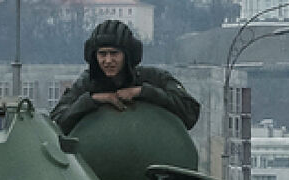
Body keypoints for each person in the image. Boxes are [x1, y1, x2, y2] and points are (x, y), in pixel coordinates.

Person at [50, 20, 201, 135]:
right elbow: (55, 123)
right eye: (102, 54)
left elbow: (189, 112)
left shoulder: (154, 78)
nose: (108, 61)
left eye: (114, 53)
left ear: (127, 55)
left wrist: (144, 93)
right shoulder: (86, 84)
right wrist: (93, 100)